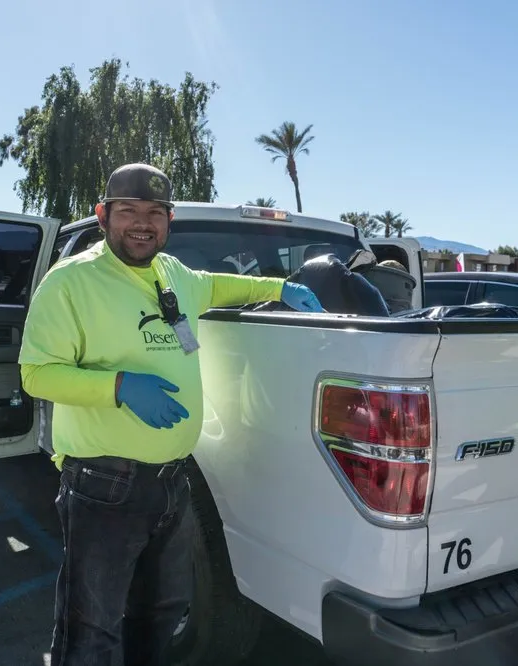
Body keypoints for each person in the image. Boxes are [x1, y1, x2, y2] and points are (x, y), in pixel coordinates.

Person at [17, 163, 324, 666]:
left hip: (172, 483)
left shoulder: (174, 274)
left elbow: (222, 286)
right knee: (91, 628)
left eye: (155, 213)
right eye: (129, 211)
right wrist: (119, 387)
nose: (142, 223)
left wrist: (279, 288)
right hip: (102, 485)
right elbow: (36, 374)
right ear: (103, 215)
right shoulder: (71, 281)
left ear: (168, 220)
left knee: (159, 612)